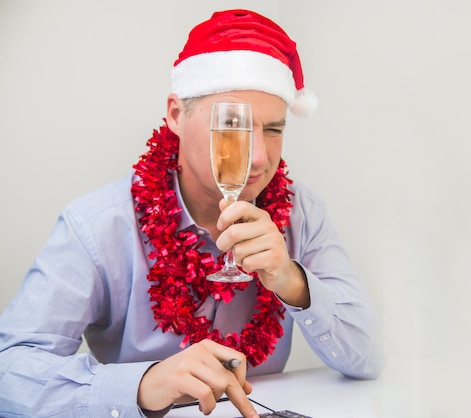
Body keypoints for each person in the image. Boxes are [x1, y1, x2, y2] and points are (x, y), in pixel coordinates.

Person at [0, 8, 382, 418]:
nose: (257, 157)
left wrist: (293, 282)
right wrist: (144, 385)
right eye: (233, 126)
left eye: (273, 129)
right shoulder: (98, 226)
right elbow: (9, 372)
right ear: (176, 115)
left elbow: (371, 355)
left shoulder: (300, 213)